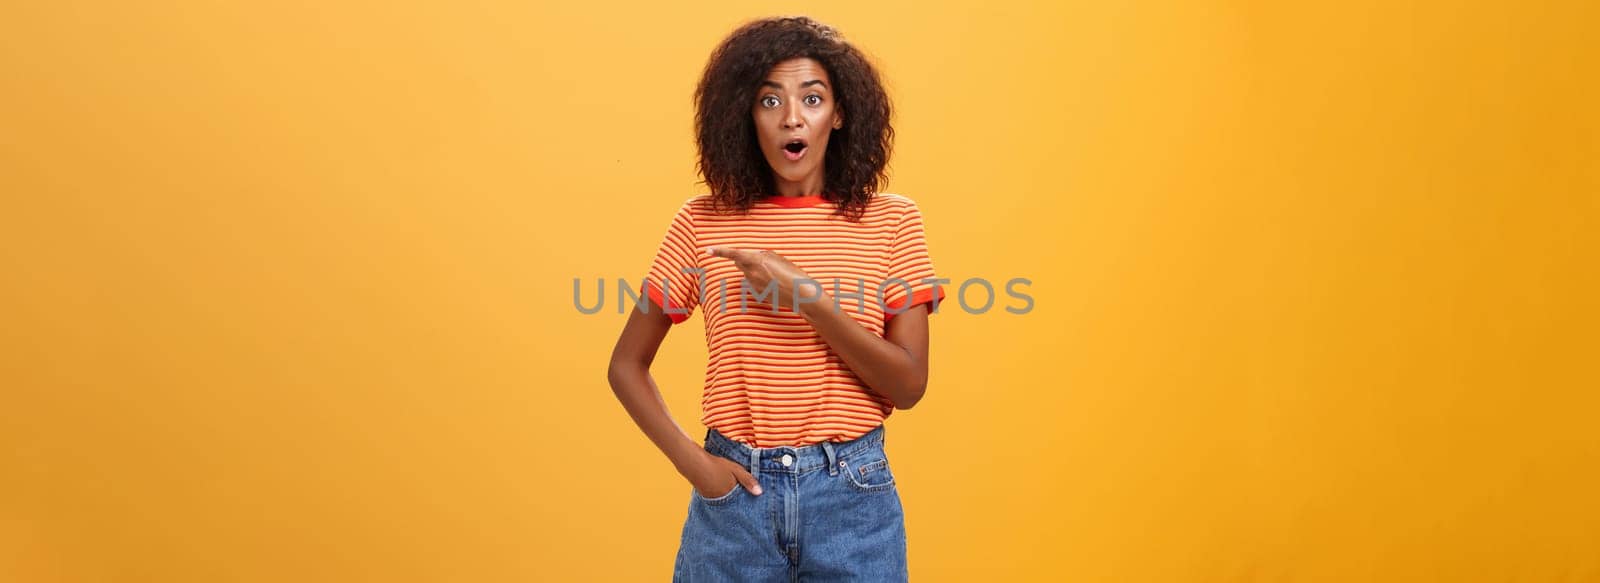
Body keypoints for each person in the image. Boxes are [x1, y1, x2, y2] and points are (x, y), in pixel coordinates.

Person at [607, 15, 945, 581]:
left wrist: (807, 297)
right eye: (770, 101)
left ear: (839, 115)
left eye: (812, 98)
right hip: (734, 502)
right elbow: (625, 366)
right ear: (746, 116)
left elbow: (908, 386)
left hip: (852, 498)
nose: (792, 117)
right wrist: (700, 469)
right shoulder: (702, 223)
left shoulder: (892, 222)